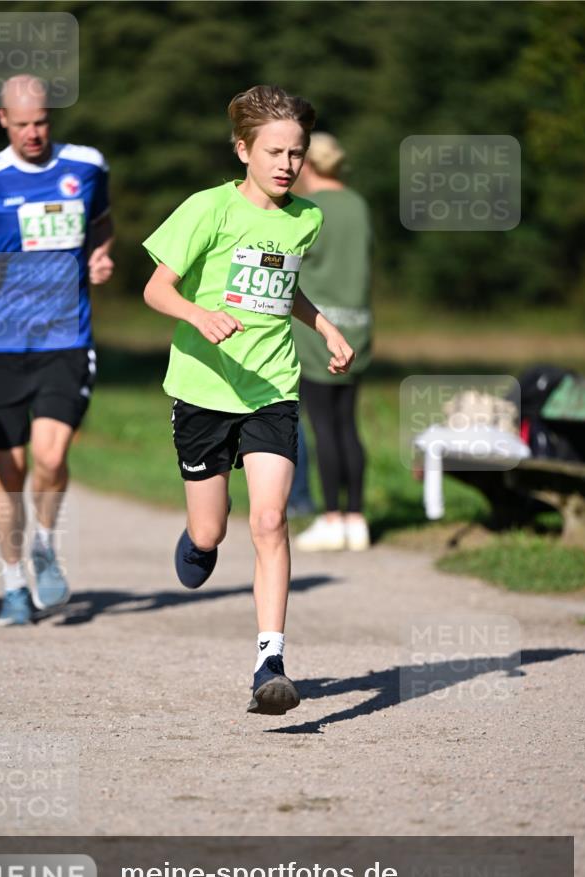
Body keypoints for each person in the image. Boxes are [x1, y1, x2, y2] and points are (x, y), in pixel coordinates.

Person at [142, 85, 355, 716]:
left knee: (270, 520)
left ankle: (271, 660)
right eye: (274, 152)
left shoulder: (306, 219)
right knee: (213, 529)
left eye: (297, 152)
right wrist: (197, 315)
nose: (287, 164)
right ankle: (201, 541)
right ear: (243, 150)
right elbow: (155, 289)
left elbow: (283, 290)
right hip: (203, 389)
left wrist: (324, 325)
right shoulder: (207, 210)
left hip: (272, 386)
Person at [0, 75, 114, 625]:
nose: (34, 133)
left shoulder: (86, 166)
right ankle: (13, 584)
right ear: (2, 120)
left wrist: (102, 255)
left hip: (66, 336)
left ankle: (44, 544)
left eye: (42, 122)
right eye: (23, 123)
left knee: (52, 457)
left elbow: (101, 220)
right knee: (9, 472)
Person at [291, 133, 373, 553]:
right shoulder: (358, 204)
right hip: (359, 326)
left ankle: (331, 518)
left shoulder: (310, 209)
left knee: (323, 427)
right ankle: (356, 519)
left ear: (309, 165)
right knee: (348, 426)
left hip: (318, 331)